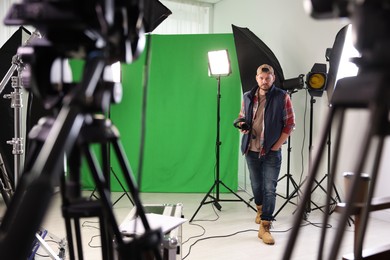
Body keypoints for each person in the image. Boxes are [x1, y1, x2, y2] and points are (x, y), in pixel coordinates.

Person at [236, 64, 295, 245]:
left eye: (267, 78)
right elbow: (241, 116)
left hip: (271, 152)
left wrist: (276, 146)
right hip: (250, 149)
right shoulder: (247, 96)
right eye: (261, 78)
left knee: (270, 188)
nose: (264, 81)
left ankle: (265, 225)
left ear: (273, 78)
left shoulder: (282, 97)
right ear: (257, 78)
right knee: (256, 185)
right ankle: (260, 209)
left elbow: (289, 124)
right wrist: (241, 126)